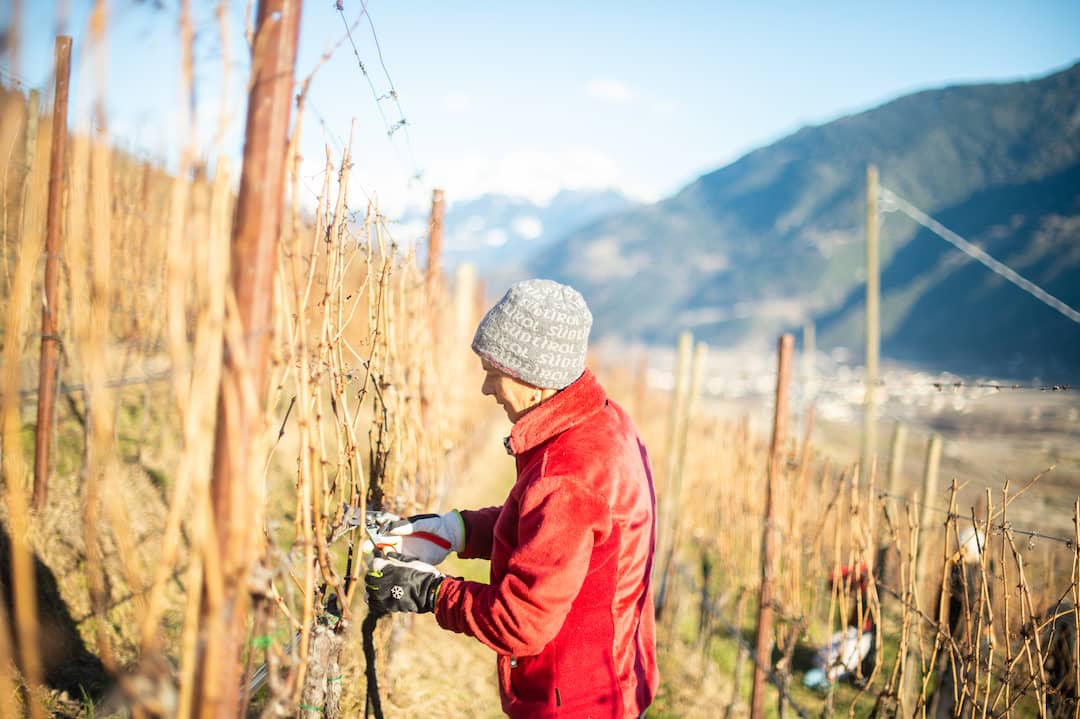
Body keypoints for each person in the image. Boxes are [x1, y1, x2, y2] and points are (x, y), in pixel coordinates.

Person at [366, 278, 659, 719]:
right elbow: (550, 531)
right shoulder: (601, 422)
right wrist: (454, 531)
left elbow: (520, 623)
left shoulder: (568, 475)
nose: (487, 388)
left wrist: (429, 592)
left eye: (493, 372)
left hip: (575, 702)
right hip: (611, 676)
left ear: (533, 380)